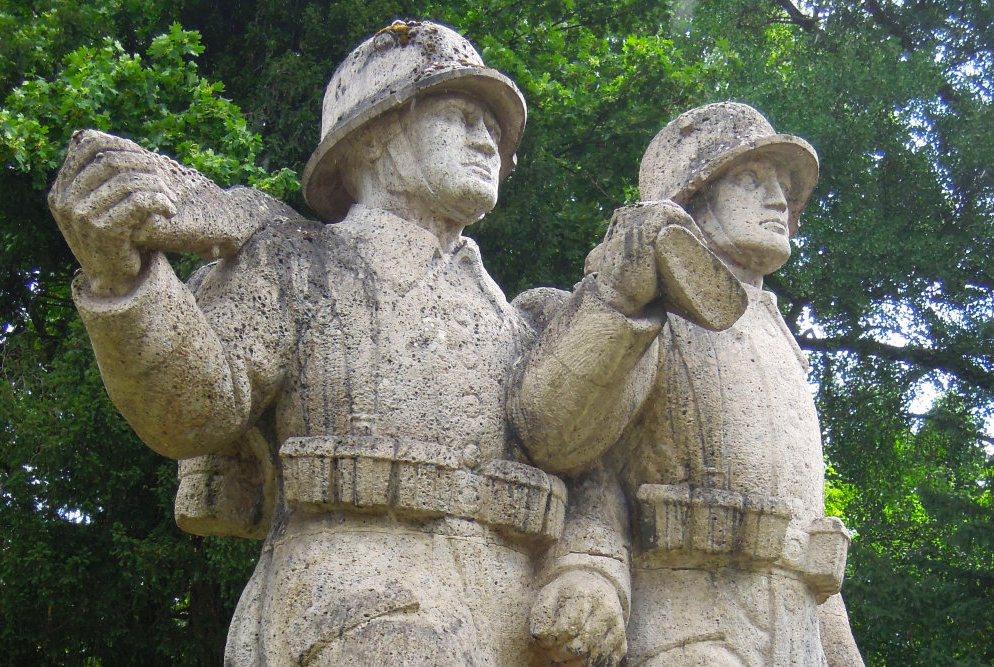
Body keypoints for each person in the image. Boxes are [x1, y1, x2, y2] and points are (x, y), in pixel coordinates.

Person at [48, 19, 615, 665]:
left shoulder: (523, 324)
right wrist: (125, 282)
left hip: (515, 623)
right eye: (460, 115)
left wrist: (589, 571)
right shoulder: (295, 265)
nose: (486, 140)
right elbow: (194, 408)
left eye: (494, 129)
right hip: (350, 605)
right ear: (372, 139)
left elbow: (587, 473)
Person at [512, 102, 865, 666]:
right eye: (751, 179)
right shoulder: (646, 316)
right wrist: (593, 572)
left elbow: (809, 556)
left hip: (797, 640)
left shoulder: (784, 349)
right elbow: (578, 460)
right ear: (693, 193)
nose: (779, 199)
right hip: (689, 633)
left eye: (784, 185)